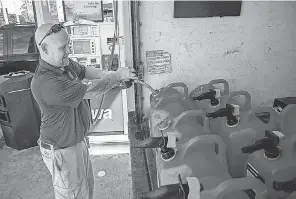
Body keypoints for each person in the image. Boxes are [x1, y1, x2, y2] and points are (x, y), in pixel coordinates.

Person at [31, 23, 137, 199]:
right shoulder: (46, 82)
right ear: (44, 48)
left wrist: (112, 75)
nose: (68, 51)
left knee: (85, 188)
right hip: (61, 149)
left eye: (69, 45)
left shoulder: (63, 65)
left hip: (77, 142)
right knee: (74, 194)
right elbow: (89, 90)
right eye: (63, 48)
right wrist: (117, 76)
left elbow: (86, 71)